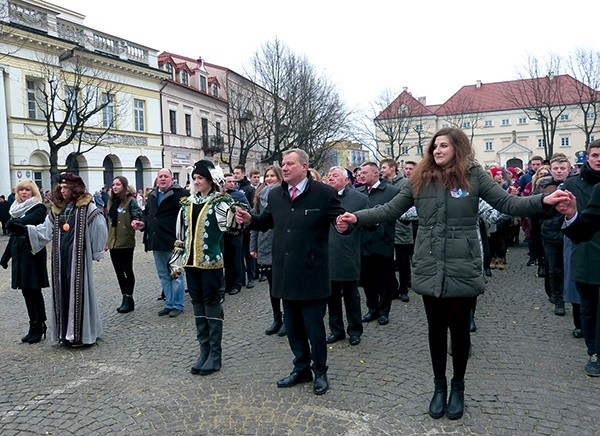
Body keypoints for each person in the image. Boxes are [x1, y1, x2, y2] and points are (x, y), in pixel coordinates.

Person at [336, 127, 569, 419]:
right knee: (435, 330)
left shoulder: (474, 176)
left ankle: (458, 386)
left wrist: (543, 202)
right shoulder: (419, 179)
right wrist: (356, 217)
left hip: (463, 263)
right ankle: (439, 387)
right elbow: (389, 210)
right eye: (434, 146)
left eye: (444, 145)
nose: (437, 150)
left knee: (459, 331)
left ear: (457, 147)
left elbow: (508, 204)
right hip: (429, 263)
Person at [235, 148, 345, 396]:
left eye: (290, 164)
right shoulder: (275, 195)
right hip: (285, 272)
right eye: (283, 164)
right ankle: (301, 367)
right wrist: (249, 219)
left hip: (312, 273)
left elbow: (340, 222)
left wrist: (344, 226)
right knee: (293, 327)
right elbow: (266, 222)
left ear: (304, 167)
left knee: (315, 329)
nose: (284, 168)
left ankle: (320, 372)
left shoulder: (324, 193)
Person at [168, 160, 244, 376]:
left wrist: (235, 216)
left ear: (210, 181)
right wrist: (176, 259)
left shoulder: (219, 202)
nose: (197, 182)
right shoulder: (187, 203)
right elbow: (181, 235)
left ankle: (215, 355)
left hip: (211, 263)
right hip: (191, 263)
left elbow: (230, 227)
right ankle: (204, 351)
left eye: (200, 178)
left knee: (211, 303)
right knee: (197, 304)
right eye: (195, 179)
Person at [24, 173, 108, 346]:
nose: (62, 191)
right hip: (60, 260)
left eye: (66, 188)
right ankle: (65, 333)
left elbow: (99, 226)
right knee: (62, 292)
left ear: (75, 189)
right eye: (60, 187)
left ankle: (81, 334)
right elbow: (45, 231)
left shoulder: (87, 208)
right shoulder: (57, 210)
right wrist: (26, 230)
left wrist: (97, 250)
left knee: (80, 292)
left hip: (78, 260)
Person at [556, 139, 600, 376]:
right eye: (595, 155)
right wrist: (571, 215)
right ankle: (593, 351)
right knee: (589, 305)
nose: (599, 159)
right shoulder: (573, 183)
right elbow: (576, 225)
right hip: (584, 249)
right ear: (587, 158)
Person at [132, 169, 187, 317]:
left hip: (174, 241)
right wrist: (142, 223)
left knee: (176, 274)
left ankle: (178, 304)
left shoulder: (180, 194)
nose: (162, 179)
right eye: (160, 176)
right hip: (156, 241)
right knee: (163, 275)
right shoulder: (153, 195)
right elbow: (146, 213)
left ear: (171, 179)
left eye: (165, 176)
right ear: (157, 179)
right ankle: (169, 303)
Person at [1, 180, 49, 343]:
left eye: (27, 190)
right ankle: (32, 324)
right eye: (21, 190)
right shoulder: (15, 209)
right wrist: (6, 256)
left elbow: (27, 222)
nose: (23, 192)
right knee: (26, 291)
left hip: (32, 252)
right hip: (20, 253)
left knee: (34, 290)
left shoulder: (39, 207)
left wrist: (13, 224)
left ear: (33, 191)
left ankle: (40, 324)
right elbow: (14, 234)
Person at [325, 166, 368, 346]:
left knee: (351, 295)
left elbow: (366, 223)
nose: (330, 179)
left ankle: (355, 330)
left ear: (346, 179)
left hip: (349, 252)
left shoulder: (359, 198)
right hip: (327, 253)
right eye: (329, 176)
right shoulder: (324, 198)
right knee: (332, 296)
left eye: (335, 176)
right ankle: (336, 330)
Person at [357, 161, 400, 325]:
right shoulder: (359, 192)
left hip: (383, 243)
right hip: (364, 243)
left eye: (364, 173)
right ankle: (372, 309)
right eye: (360, 173)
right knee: (368, 280)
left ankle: (384, 311)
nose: (361, 175)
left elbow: (395, 215)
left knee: (385, 280)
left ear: (375, 174)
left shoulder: (392, 191)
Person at [249, 165, 287, 336]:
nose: (269, 178)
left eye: (273, 175)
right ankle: (276, 318)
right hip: (265, 244)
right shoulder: (259, 196)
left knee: (283, 284)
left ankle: (288, 319)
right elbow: (255, 223)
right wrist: (253, 246)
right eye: (267, 176)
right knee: (272, 286)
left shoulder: (284, 195)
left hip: (280, 243)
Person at [106, 177, 143, 314]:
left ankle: (129, 297)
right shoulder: (110, 201)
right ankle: (124, 296)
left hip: (126, 241)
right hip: (113, 243)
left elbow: (136, 215)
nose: (115, 187)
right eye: (113, 184)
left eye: (118, 184)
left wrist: (135, 221)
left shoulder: (130, 201)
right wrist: (106, 240)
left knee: (127, 270)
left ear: (124, 186)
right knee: (119, 272)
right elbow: (108, 221)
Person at [381, 158, 413, 303]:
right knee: (388, 261)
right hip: (386, 228)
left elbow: (412, 203)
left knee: (403, 261)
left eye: (384, 167)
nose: (382, 170)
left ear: (393, 168)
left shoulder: (405, 183)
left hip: (402, 228)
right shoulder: (382, 184)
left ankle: (404, 289)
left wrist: (404, 218)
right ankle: (393, 287)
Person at [222, 173, 249, 296]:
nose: (232, 184)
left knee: (236, 257)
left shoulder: (239, 195)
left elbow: (247, 209)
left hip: (236, 231)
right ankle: (228, 282)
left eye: (233, 182)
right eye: (229, 181)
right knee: (227, 258)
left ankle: (237, 283)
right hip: (225, 232)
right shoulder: (221, 196)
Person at [233, 165, 256, 289]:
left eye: (237, 173)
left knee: (248, 253)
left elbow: (252, 206)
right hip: (238, 227)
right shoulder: (236, 187)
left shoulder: (248, 188)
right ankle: (241, 278)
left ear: (243, 173)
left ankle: (251, 277)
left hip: (247, 225)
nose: (235, 175)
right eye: (234, 173)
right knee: (239, 254)